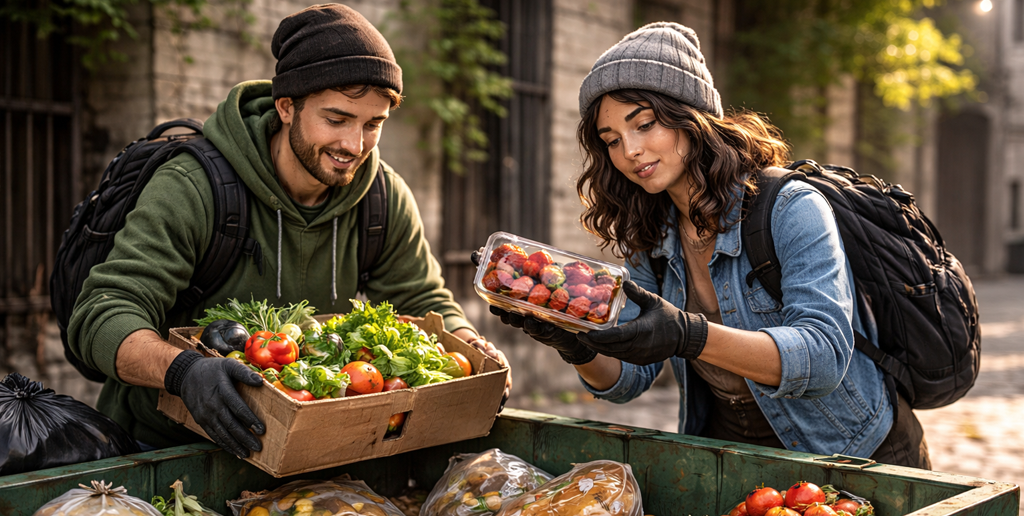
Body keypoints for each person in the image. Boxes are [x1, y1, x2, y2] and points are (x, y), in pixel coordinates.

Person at [68, 4, 506, 458]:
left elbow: (425, 301)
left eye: (373, 124)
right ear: (286, 107)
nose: (354, 146)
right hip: (171, 450)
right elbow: (104, 312)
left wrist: (470, 347)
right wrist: (183, 371)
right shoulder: (194, 187)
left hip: (314, 455)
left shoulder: (383, 197)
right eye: (336, 119)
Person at [492, 22, 929, 468]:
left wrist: (689, 334)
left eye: (644, 124)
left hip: (852, 451)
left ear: (691, 117)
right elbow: (629, 380)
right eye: (612, 142)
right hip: (730, 452)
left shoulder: (790, 207)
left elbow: (822, 356)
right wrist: (574, 341)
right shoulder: (652, 231)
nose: (630, 151)